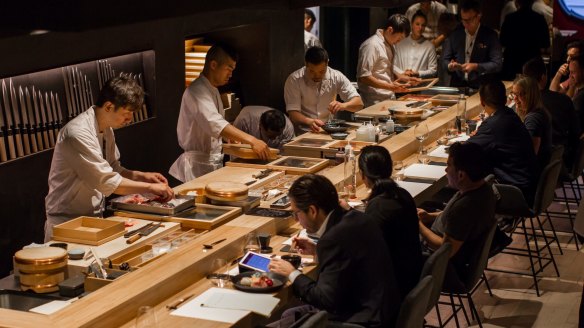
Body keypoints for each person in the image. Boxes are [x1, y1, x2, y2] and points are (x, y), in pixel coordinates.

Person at [44, 77, 174, 242]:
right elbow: (107, 181)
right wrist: (150, 187)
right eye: (126, 114)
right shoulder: (76, 134)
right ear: (108, 106)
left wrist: (143, 176)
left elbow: (113, 168)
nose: (130, 120)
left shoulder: (106, 129)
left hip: (93, 218)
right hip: (65, 222)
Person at [269, 174, 400, 327]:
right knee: (288, 316)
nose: (296, 221)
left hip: (363, 320)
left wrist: (291, 273)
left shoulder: (332, 239)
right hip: (386, 309)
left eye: (296, 214)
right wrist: (317, 251)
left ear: (312, 210)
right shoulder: (358, 218)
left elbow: (325, 300)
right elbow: (349, 258)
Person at [170, 43, 271, 182]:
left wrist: (227, 138)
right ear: (213, 65)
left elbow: (212, 126)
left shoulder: (214, 89)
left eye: (233, 69)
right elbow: (214, 123)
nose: (230, 74)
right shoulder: (196, 91)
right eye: (228, 68)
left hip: (212, 163)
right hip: (196, 167)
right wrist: (252, 140)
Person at [342, 145, 423, 301]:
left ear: (362, 175)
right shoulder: (402, 194)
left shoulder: (378, 206)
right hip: (411, 278)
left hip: (390, 291)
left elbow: (363, 250)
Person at [417, 141, 496, 288]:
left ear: (461, 174)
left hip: (443, 268)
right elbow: (453, 219)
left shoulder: (464, 208)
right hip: (458, 253)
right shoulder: (484, 188)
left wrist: (418, 225)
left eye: (449, 166)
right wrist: (429, 216)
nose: (446, 170)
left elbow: (446, 249)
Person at [468, 78, 537, 205]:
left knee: (463, 182)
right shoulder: (511, 115)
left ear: (482, 102)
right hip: (528, 186)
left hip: (514, 192)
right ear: (505, 100)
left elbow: (464, 151)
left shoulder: (493, 124)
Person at [285, 46, 363, 134]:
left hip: (329, 130)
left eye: (322, 71)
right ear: (306, 64)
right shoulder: (294, 79)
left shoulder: (336, 76)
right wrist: (309, 121)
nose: (317, 76)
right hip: (303, 131)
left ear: (327, 63)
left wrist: (343, 105)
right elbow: (293, 114)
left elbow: (359, 104)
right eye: (312, 71)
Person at [523, 57, 580, 172]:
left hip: (541, 166)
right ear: (544, 77)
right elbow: (576, 132)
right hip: (561, 160)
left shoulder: (525, 105)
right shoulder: (564, 100)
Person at [357, 14, 420, 107]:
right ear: (390, 30)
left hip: (389, 97)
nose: (399, 41)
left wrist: (405, 78)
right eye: (399, 38)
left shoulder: (390, 44)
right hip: (373, 100)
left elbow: (386, 69)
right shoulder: (371, 45)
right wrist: (391, 87)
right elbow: (364, 77)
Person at [441, 0, 502, 89]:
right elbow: (444, 60)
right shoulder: (455, 34)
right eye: (463, 20)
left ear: (478, 16)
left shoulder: (490, 35)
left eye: (469, 20)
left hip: (481, 86)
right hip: (458, 85)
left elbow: (497, 64)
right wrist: (450, 66)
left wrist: (476, 66)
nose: (466, 24)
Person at [499, 0, 550, 81]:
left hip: (512, 63)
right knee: (531, 90)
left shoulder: (510, 18)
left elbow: (502, 41)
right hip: (531, 63)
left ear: (517, 3)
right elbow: (545, 44)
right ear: (532, 3)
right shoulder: (539, 19)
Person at [511, 76, 553, 173]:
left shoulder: (533, 119)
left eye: (520, 94)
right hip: (538, 168)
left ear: (531, 95)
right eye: (514, 94)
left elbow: (529, 156)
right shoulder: (539, 110)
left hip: (531, 175)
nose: (515, 99)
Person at [394, 10, 438, 79]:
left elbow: (433, 71)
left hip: (419, 86)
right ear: (412, 24)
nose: (420, 28)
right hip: (400, 84)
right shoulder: (400, 42)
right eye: (417, 24)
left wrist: (417, 73)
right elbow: (392, 64)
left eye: (423, 25)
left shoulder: (430, 47)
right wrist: (403, 73)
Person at [570, 56, 584, 129]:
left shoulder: (581, 97)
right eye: (570, 72)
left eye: (573, 72)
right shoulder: (577, 90)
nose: (570, 76)